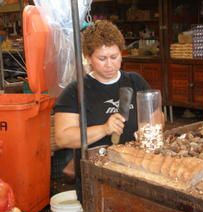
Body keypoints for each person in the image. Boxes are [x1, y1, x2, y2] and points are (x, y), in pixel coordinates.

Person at [54, 20, 151, 149]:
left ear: (121, 54)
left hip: (136, 156)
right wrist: (104, 129)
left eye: (114, 57)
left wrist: (147, 130)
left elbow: (157, 116)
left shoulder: (135, 82)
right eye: (102, 59)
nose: (109, 64)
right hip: (96, 162)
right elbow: (63, 138)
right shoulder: (75, 91)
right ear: (88, 58)